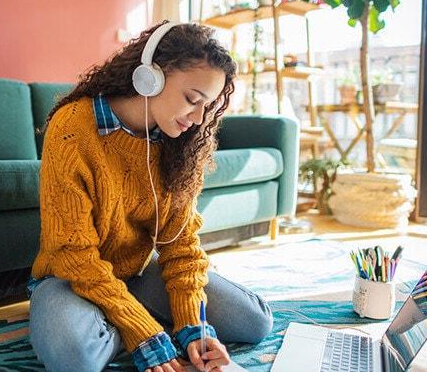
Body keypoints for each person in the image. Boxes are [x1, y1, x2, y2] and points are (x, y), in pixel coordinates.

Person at [28, 21, 273, 372]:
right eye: (192, 99)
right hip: (68, 279)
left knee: (255, 322)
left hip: (138, 274)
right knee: (74, 358)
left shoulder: (180, 144)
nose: (199, 118)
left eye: (208, 105)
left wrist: (194, 324)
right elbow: (73, 254)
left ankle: (118, 317)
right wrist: (139, 329)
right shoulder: (72, 128)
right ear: (151, 76)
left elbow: (180, 244)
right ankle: (120, 317)